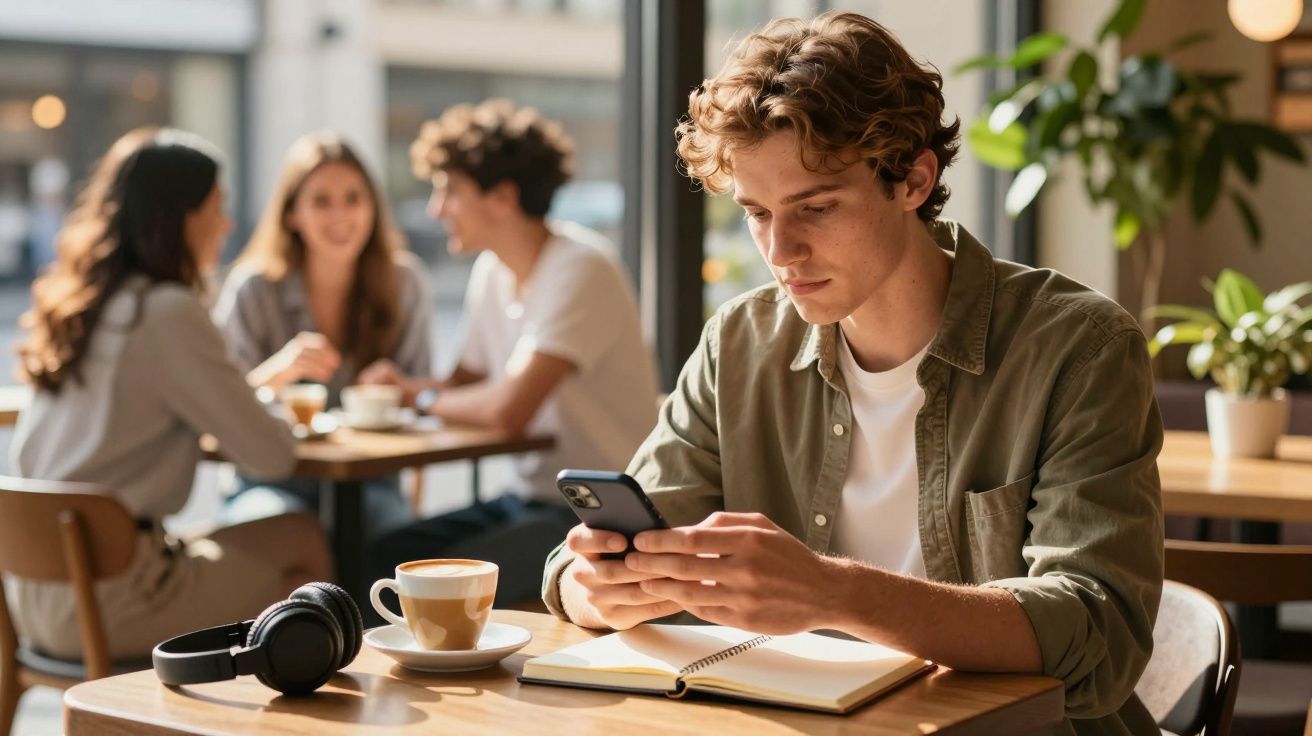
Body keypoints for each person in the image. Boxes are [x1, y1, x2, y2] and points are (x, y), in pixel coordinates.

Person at [543, 12, 1164, 735]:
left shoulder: (1078, 348)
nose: (781, 251)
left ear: (913, 179)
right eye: (756, 212)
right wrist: (594, 586)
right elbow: (589, 562)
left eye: (816, 208)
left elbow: (1098, 631)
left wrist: (832, 593)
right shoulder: (740, 343)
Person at [10, 128, 331, 660]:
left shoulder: (85, 309)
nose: (227, 225)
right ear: (178, 216)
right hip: (113, 599)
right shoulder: (166, 311)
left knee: (274, 534)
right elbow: (272, 455)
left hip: (33, 597)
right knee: (303, 540)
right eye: (217, 208)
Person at [361, 99, 660, 606]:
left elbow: (507, 411)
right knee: (381, 554)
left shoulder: (580, 268)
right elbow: (464, 383)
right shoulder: (494, 271)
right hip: (527, 498)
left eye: (450, 191)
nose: (437, 210)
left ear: (502, 197)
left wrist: (418, 400)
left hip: (596, 516)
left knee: (430, 585)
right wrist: (404, 390)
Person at [213, 131, 433, 538]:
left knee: (395, 541)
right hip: (271, 480)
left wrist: (404, 388)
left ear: (373, 207)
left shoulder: (403, 283)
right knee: (279, 535)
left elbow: (425, 402)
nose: (340, 216)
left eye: (354, 198)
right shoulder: (255, 289)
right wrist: (277, 371)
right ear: (291, 214)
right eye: (320, 201)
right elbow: (218, 412)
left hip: (370, 482)